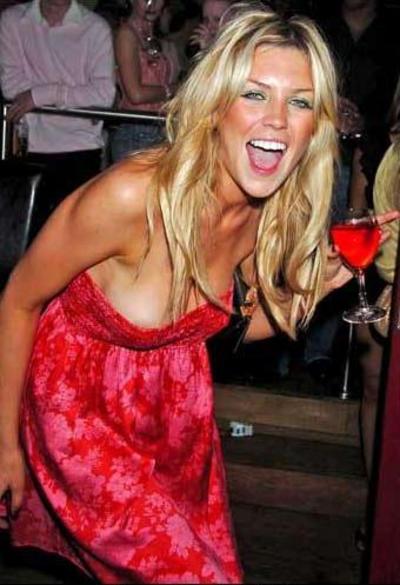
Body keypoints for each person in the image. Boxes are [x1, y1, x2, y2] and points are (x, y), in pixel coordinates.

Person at [0, 4, 397, 583]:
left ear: (317, 126)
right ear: (215, 105)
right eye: (254, 94)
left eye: (301, 102)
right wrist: (5, 444)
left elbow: (231, 327)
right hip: (82, 409)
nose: (277, 120)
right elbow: (17, 299)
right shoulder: (133, 197)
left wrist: (317, 290)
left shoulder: (266, 215)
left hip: (176, 414)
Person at [0, 0, 116, 233]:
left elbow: (104, 95)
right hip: (28, 149)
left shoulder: (95, 27)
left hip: (80, 150)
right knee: (24, 240)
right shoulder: (13, 20)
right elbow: (11, 87)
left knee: (76, 239)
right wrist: (75, 95)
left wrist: (39, 95)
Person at [110, 0, 181, 162]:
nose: (152, 3)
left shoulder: (158, 36)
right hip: (136, 130)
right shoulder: (127, 34)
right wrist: (174, 89)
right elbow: (136, 94)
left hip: (163, 127)